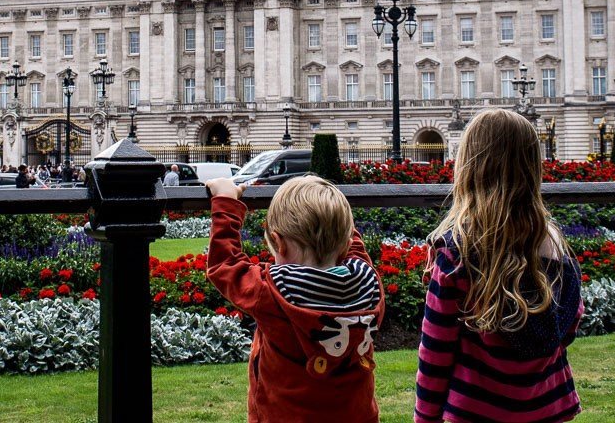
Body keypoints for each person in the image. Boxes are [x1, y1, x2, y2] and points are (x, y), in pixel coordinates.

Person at [415, 108, 582, 423]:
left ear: (469, 167)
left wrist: (425, 418)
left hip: (476, 410)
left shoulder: (456, 253)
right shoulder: (556, 246)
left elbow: (435, 353)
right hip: (547, 407)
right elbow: (568, 327)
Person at [205, 175, 384, 423]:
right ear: (344, 245)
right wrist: (331, 218)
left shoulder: (271, 292)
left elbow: (225, 264)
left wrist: (225, 200)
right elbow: (351, 247)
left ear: (278, 242)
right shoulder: (367, 285)